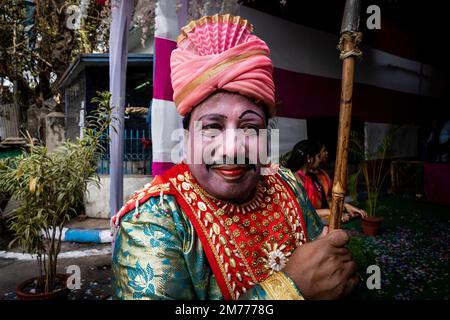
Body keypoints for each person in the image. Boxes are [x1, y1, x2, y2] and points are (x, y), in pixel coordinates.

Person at [111, 14, 357, 300]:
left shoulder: (287, 185)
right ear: (187, 136)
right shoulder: (153, 220)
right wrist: (290, 290)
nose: (231, 148)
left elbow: (330, 273)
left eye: (250, 127)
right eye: (212, 127)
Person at [285, 140, 366, 223]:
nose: (319, 159)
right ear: (309, 158)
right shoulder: (294, 180)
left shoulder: (312, 178)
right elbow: (302, 212)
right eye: (318, 156)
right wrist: (330, 212)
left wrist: (345, 206)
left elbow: (324, 203)